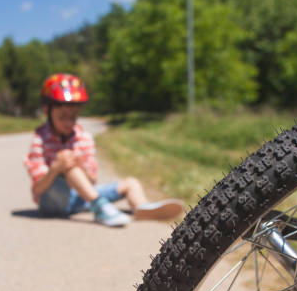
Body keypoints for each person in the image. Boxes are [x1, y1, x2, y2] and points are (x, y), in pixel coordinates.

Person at [23, 73, 184, 227]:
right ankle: (100, 208)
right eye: (62, 117)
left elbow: (92, 181)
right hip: (52, 203)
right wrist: (55, 169)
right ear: (47, 111)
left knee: (131, 183)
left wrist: (81, 167)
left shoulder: (84, 138)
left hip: (81, 198)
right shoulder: (40, 139)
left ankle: (142, 208)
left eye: (73, 117)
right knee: (66, 161)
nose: (68, 122)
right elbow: (38, 188)